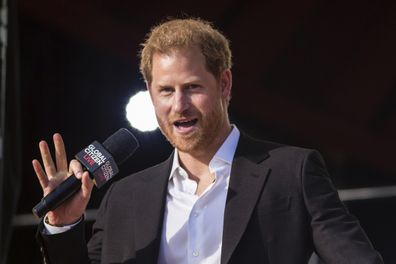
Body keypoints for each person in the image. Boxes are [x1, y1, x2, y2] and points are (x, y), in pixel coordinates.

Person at [34, 18, 383, 264]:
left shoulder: (292, 171)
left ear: (225, 85)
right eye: (166, 90)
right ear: (151, 96)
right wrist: (63, 225)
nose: (179, 105)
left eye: (193, 87)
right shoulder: (124, 197)